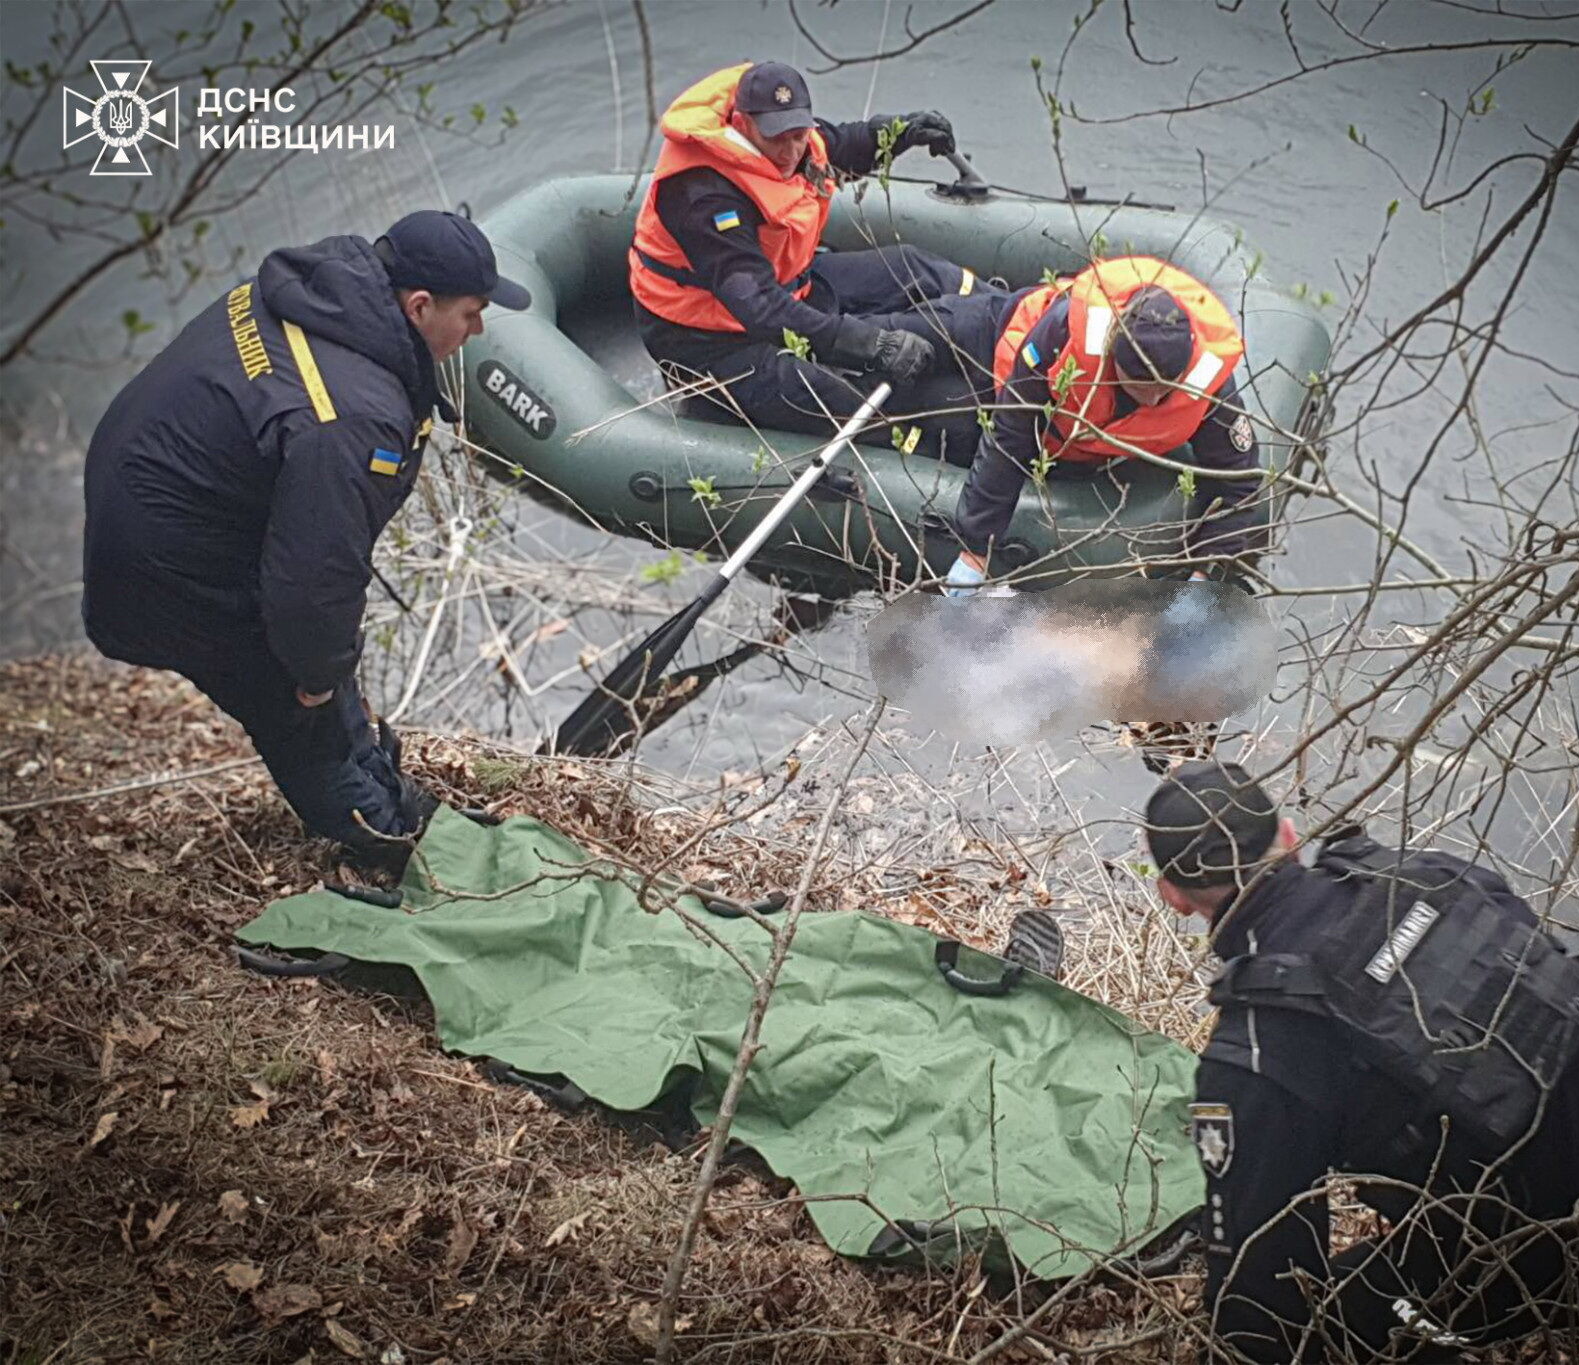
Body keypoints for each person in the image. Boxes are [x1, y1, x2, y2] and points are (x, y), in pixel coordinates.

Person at [1143, 761, 1579, 1364]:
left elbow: (1261, 1274)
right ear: (1291, 836)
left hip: (1551, 1233)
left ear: (1174, 897)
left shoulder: (1255, 1048)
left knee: (1332, 1327)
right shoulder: (1426, 874)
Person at [83, 210, 528, 876]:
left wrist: (327, 666)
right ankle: (396, 854)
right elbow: (309, 583)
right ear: (420, 305)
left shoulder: (322, 292)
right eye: (471, 313)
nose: (478, 329)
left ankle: (390, 795)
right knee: (295, 704)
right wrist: (315, 678)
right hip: (165, 564)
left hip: (152, 494)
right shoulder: (351, 415)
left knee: (322, 666)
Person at [631, 59, 991, 456]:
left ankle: (1011, 319)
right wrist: (869, 343)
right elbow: (759, 306)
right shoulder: (704, 196)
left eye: (797, 134)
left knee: (914, 267)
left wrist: (903, 131)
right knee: (841, 402)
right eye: (776, 139)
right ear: (743, 123)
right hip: (709, 339)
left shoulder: (794, 139)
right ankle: (930, 450)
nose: (789, 151)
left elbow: (844, 144)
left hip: (792, 283)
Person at [938, 256, 1266, 595]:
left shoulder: (1206, 384)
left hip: (1084, 457)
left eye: (1164, 388)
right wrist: (974, 551)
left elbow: (1238, 482)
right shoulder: (1064, 336)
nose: (1153, 400)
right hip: (1010, 372)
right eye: (1140, 386)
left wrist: (1205, 579)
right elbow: (1011, 435)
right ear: (1113, 356)